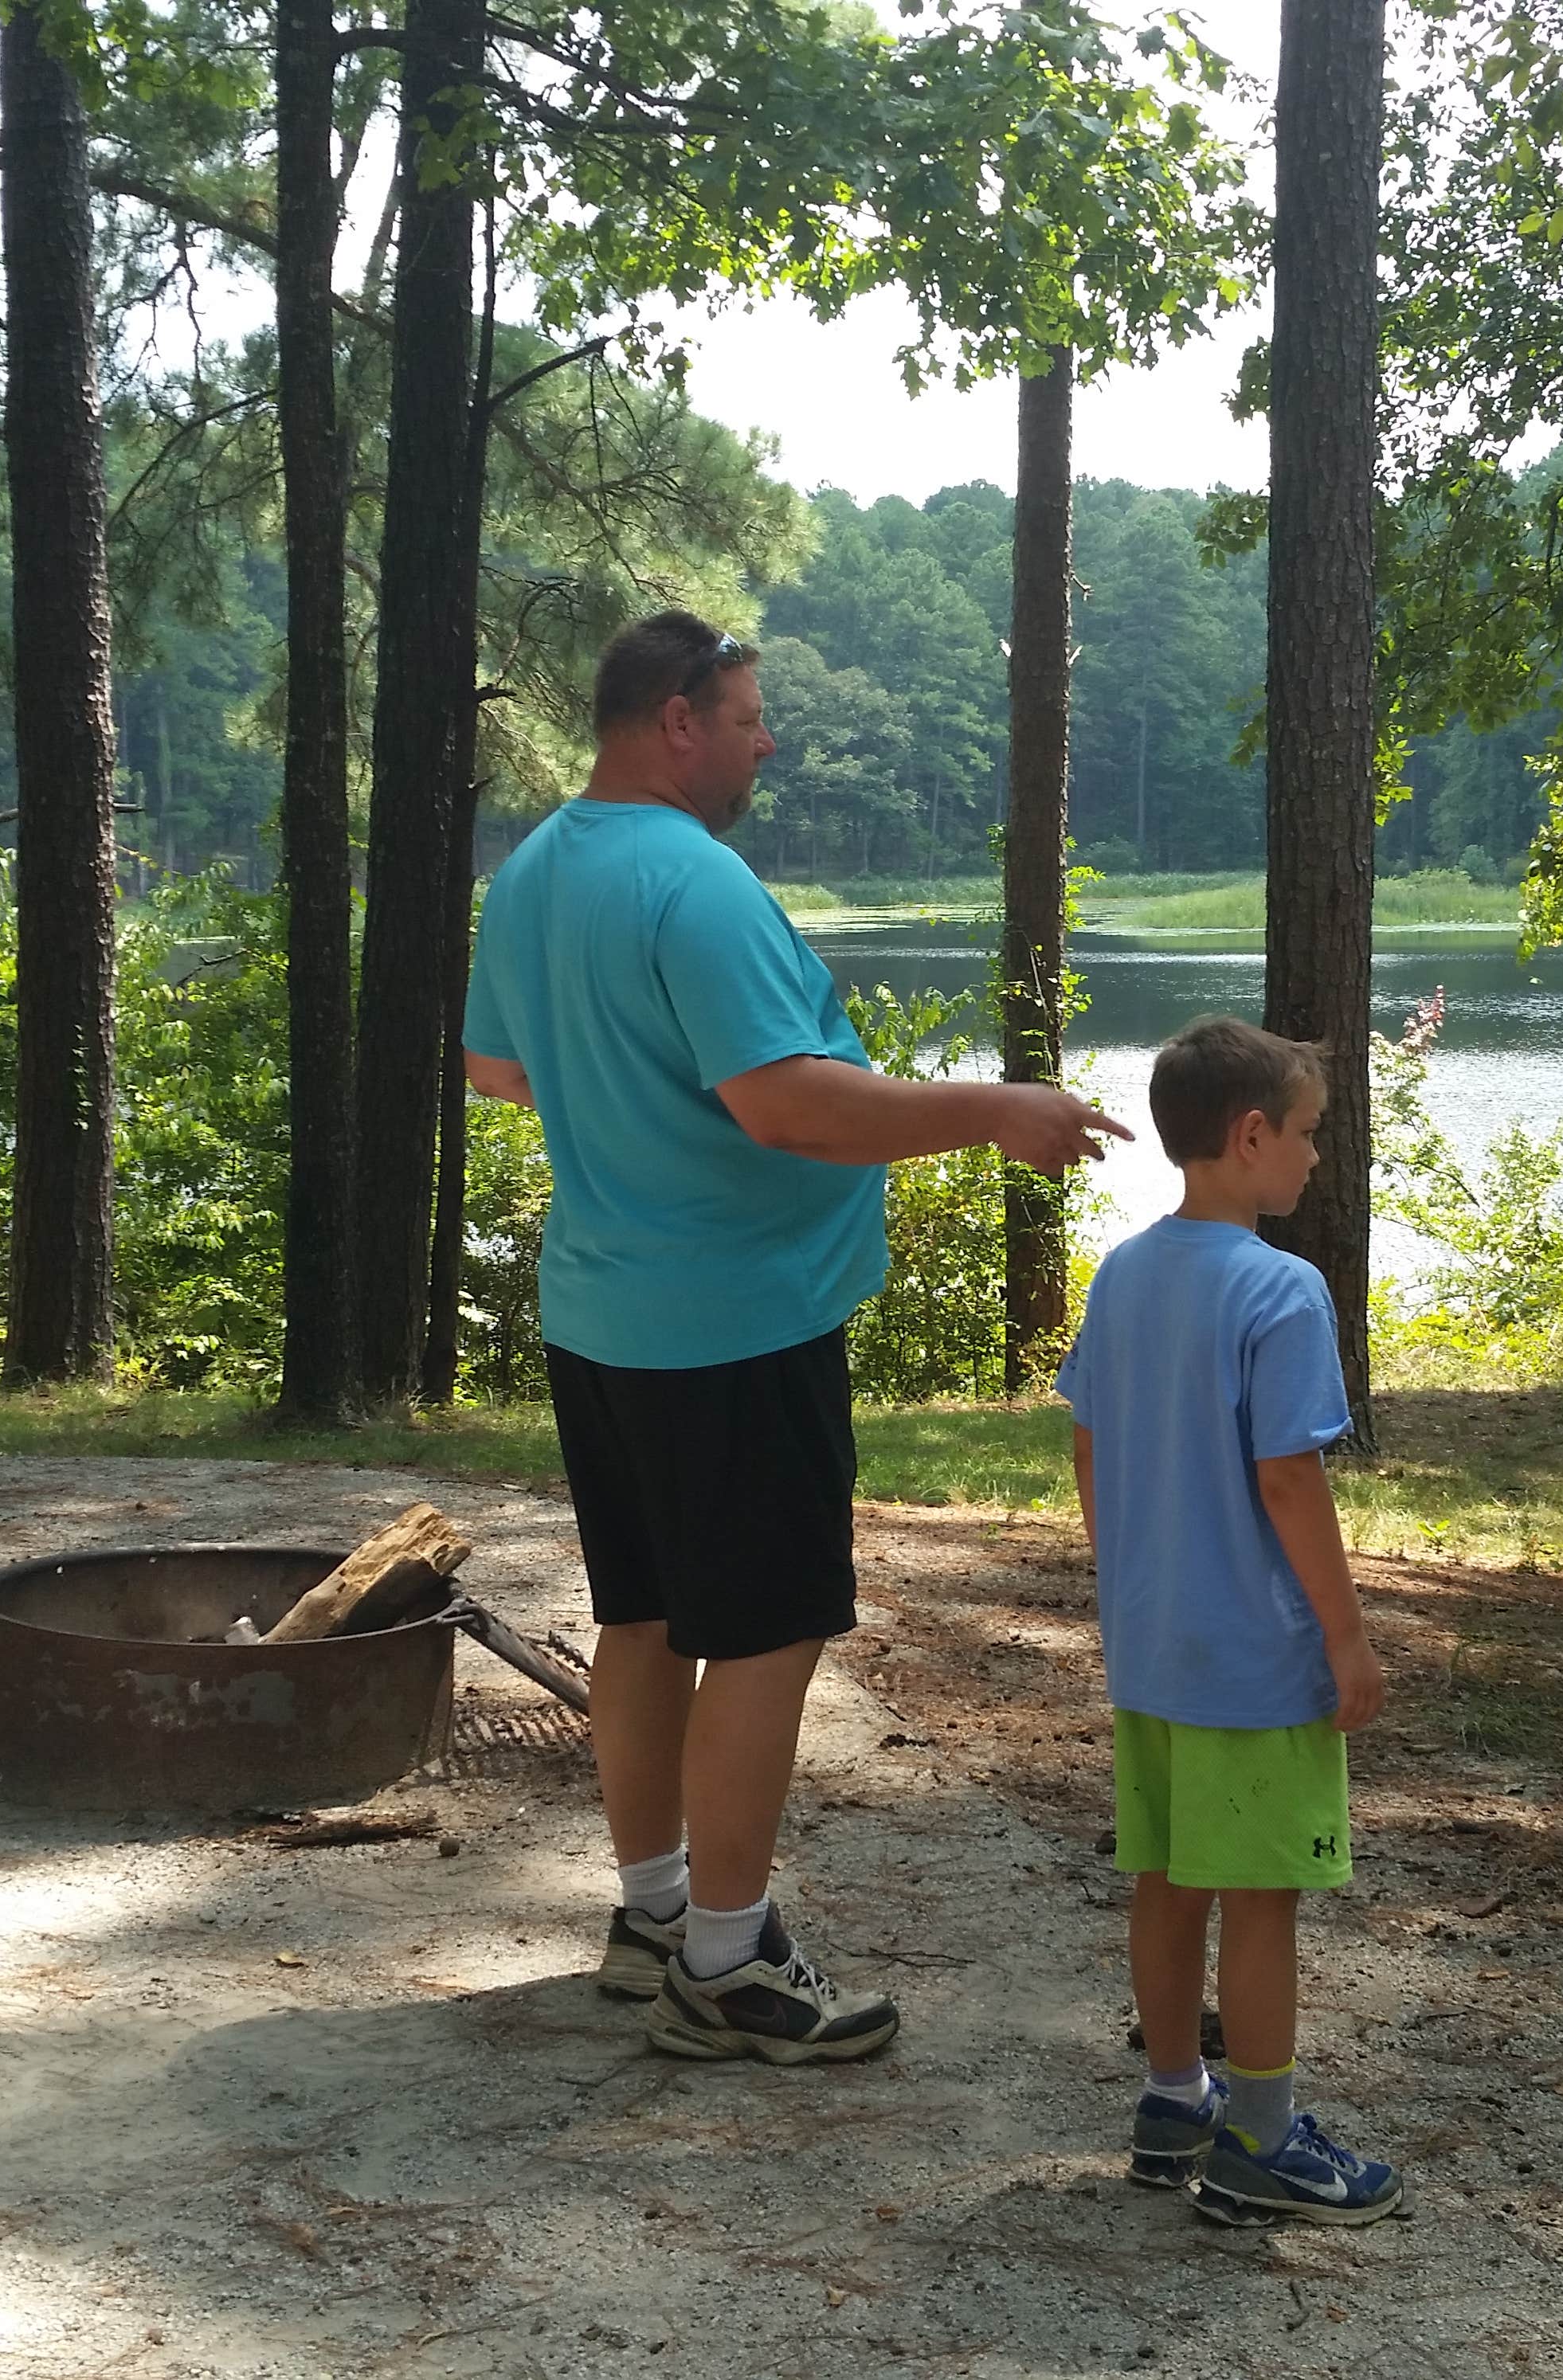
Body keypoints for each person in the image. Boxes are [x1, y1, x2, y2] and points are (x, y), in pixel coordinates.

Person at [462, 609, 1131, 2065]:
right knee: (765, 1638)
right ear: (678, 720)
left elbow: (500, 1068)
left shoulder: (533, 872)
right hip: (734, 1325)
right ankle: (727, 1969)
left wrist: (629, 1111)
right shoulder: (692, 883)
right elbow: (786, 1103)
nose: (769, 741)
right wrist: (991, 1110)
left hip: (604, 1310)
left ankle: (652, 1920)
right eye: (751, 716)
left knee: (643, 1625)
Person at [1055, 1015, 1408, 2226]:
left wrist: (1134, 1582)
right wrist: (1347, 1633)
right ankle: (1261, 2139)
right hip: (1255, 1660)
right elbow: (1287, 1479)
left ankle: (1172, 2099)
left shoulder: (1124, 1272)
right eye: (1308, 1136)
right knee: (1261, 1895)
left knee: (1165, 1878)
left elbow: (1091, 1446)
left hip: (1153, 1646)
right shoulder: (1282, 1289)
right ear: (1250, 1136)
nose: (1317, 1159)